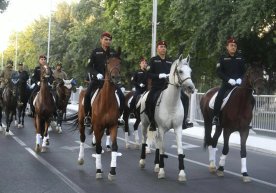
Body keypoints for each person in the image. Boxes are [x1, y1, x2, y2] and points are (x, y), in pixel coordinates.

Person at [83, 32, 125, 126]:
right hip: (97, 81)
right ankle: (88, 116)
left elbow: (117, 65)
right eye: (106, 39)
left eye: (110, 40)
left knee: (122, 97)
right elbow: (89, 67)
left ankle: (119, 117)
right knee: (87, 95)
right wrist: (97, 74)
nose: (108, 41)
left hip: (110, 81)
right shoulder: (95, 52)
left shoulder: (113, 52)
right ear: (101, 40)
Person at [212, 37, 246, 126]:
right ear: (227, 47)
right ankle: (215, 117)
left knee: (249, 98)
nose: (233, 47)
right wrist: (228, 79)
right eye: (231, 45)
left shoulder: (240, 58)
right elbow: (219, 72)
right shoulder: (222, 58)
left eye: (235, 45)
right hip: (227, 84)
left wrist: (240, 79)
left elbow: (245, 72)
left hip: (239, 84)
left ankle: (246, 119)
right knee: (219, 97)